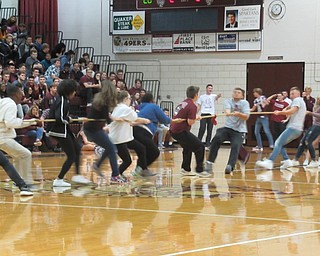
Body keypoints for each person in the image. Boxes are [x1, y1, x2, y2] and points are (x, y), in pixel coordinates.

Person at [47, 79, 91, 186]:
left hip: (64, 129)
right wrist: (70, 119)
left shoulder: (63, 100)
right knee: (72, 156)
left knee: (77, 148)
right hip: (59, 131)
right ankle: (59, 180)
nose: (75, 93)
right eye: (74, 90)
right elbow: (60, 117)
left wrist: (74, 118)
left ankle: (77, 175)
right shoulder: (61, 100)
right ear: (68, 90)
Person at [83, 80, 125, 183]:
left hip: (95, 129)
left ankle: (97, 165)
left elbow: (107, 118)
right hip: (92, 130)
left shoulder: (101, 100)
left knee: (110, 148)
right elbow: (108, 119)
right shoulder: (103, 102)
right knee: (111, 148)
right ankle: (115, 175)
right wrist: (116, 119)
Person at [256, 87, 306, 169]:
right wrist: (285, 112)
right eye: (290, 93)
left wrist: (280, 112)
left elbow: (292, 111)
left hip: (294, 128)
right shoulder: (299, 101)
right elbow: (289, 109)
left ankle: (270, 161)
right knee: (281, 143)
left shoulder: (297, 100)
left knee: (278, 143)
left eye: (293, 93)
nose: (291, 95)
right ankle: (287, 161)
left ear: (298, 94)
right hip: (297, 128)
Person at [108, 90, 152, 179]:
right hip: (119, 139)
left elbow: (130, 120)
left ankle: (143, 169)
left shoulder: (118, 107)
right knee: (127, 161)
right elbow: (135, 118)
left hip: (125, 137)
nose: (130, 100)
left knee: (141, 148)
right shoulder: (124, 108)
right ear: (125, 99)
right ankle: (115, 175)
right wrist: (145, 121)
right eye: (129, 98)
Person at [170, 86, 211, 177]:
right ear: (196, 95)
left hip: (173, 130)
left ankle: (185, 169)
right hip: (180, 130)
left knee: (187, 147)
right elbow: (190, 122)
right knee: (200, 146)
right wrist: (196, 118)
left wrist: (194, 116)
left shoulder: (183, 103)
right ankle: (200, 170)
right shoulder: (192, 105)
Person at [207, 87, 250, 174]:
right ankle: (209, 163)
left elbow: (246, 117)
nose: (236, 94)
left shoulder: (244, 103)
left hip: (239, 130)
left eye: (238, 92)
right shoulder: (228, 101)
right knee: (217, 138)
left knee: (235, 145)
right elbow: (227, 111)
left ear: (242, 95)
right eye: (234, 92)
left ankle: (230, 165)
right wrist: (228, 112)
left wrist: (239, 114)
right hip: (227, 128)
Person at [0, 84, 37, 184]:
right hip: (3, 138)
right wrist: (29, 122)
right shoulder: (11, 104)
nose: (22, 95)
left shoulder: (2, 101)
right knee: (26, 154)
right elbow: (10, 122)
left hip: (3, 137)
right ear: (16, 94)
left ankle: (17, 181)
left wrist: (30, 121)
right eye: (21, 92)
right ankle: (26, 182)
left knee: (18, 156)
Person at [133, 93, 173, 174]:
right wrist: (172, 120)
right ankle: (142, 169)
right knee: (155, 152)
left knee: (143, 151)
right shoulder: (153, 106)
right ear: (151, 100)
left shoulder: (140, 107)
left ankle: (140, 169)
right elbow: (164, 119)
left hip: (134, 130)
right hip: (143, 131)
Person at [291, 95, 320, 168]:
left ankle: (314, 160)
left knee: (308, 141)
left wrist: (310, 113)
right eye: (318, 98)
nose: (318, 99)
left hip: (318, 126)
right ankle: (295, 159)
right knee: (303, 141)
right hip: (314, 125)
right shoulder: (317, 106)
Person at [197, 84, 221, 149]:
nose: (210, 89)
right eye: (209, 88)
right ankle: (198, 142)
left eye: (211, 88)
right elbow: (199, 106)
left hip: (211, 115)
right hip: (204, 114)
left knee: (209, 129)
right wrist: (195, 113)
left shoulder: (213, 96)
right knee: (202, 128)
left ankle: (208, 143)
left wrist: (219, 95)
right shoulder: (202, 97)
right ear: (206, 89)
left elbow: (217, 97)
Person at [251, 88, 274, 152]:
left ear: (257, 92)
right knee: (256, 132)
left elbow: (266, 103)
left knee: (267, 131)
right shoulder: (255, 100)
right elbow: (253, 109)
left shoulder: (263, 97)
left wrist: (265, 102)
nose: (253, 94)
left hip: (264, 117)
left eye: (254, 92)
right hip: (258, 117)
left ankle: (272, 144)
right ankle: (259, 146)